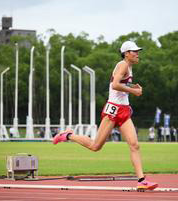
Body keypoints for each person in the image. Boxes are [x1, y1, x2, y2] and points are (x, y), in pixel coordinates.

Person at [53, 41, 158, 190]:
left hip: (124, 110)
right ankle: (68, 136)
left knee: (135, 145)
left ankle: (141, 180)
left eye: (138, 51)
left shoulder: (128, 67)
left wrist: (131, 87)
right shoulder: (123, 65)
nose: (137, 53)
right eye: (134, 51)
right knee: (95, 146)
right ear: (126, 53)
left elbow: (118, 85)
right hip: (113, 110)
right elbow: (115, 85)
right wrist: (134, 91)